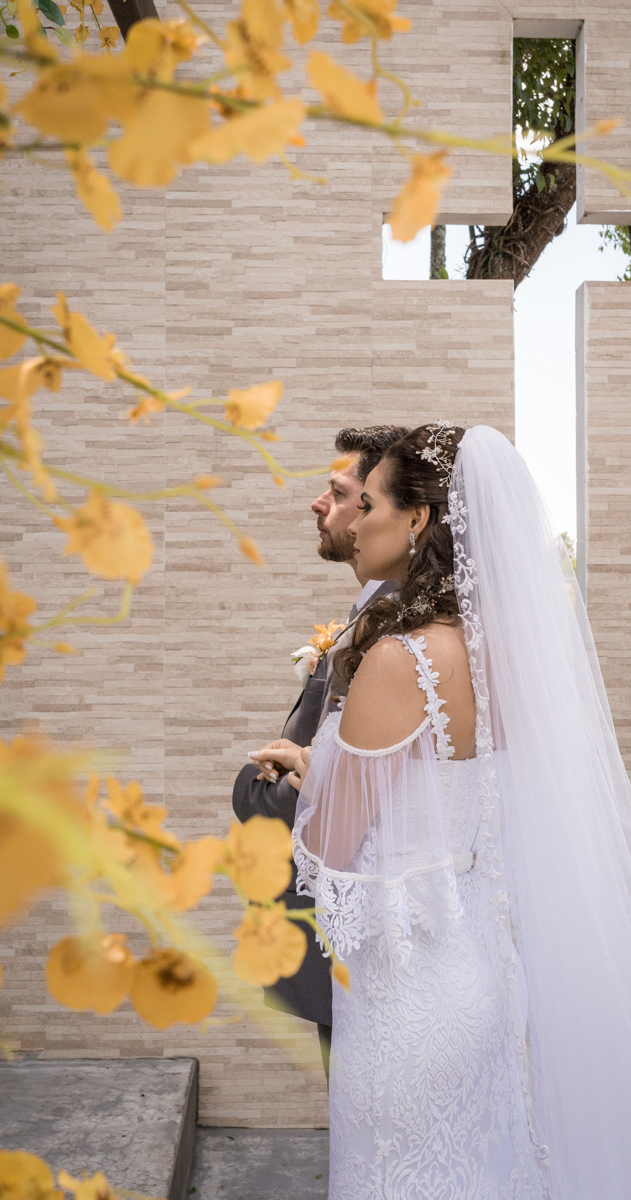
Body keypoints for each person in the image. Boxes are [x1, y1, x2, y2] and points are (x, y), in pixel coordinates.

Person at [270, 422, 631, 1199]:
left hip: (409, 1005)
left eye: (370, 504)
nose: (354, 523)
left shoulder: (401, 661)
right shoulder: (505, 660)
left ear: (418, 519)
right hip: (486, 979)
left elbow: (330, 861)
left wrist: (308, 778)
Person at [232, 424, 407, 1079]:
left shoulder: (393, 638)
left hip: (358, 936)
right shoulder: (373, 617)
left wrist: (268, 788)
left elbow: (358, 800)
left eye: (338, 493)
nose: (320, 505)